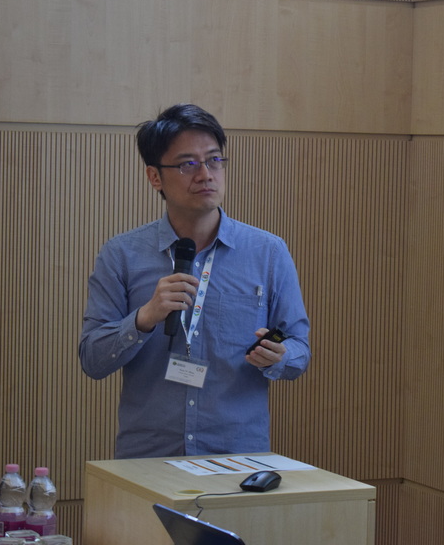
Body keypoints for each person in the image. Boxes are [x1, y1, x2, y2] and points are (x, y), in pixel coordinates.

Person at [79, 103, 310, 459]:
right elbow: (93, 360)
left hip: (236, 459)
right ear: (155, 177)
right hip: (148, 458)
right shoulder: (121, 254)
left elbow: (299, 350)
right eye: (188, 164)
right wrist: (144, 318)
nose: (205, 175)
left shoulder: (268, 252)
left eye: (214, 160)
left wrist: (279, 356)